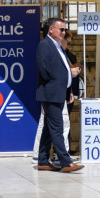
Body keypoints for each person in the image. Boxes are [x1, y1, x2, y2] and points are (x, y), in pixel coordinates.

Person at [36, 18, 83, 173]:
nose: (63, 32)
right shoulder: (45, 46)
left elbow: (62, 70)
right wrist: (70, 73)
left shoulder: (58, 47)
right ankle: (65, 161)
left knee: (49, 129)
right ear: (51, 30)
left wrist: (68, 91)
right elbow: (45, 71)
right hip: (50, 93)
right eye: (61, 29)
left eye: (64, 30)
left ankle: (42, 160)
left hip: (59, 92)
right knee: (57, 127)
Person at [63, 30, 81, 155]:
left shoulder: (67, 53)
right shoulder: (60, 53)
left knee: (66, 121)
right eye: (68, 43)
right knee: (63, 122)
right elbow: (67, 69)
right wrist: (74, 66)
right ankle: (63, 150)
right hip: (62, 91)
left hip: (70, 90)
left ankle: (67, 148)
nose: (69, 45)